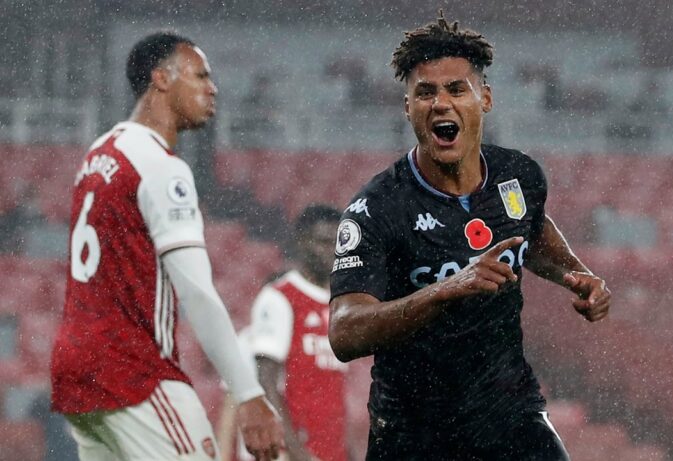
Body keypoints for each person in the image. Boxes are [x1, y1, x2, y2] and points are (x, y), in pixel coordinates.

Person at [328, 12, 611, 461]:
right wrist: (446, 289)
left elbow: (533, 231)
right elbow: (344, 333)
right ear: (408, 107)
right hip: (413, 433)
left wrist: (576, 275)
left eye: (457, 89)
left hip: (510, 416)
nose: (441, 103)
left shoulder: (518, 175)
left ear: (485, 99)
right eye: (426, 92)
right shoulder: (377, 209)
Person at [49, 32, 284, 461]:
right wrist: (249, 394)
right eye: (200, 76)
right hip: (131, 371)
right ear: (161, 79)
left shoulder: (98, 153)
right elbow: (197, 293)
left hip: (77, 369)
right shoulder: (160, 166)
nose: (212, 88)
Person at [218, 205, 348, 461]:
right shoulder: (280, 298)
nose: (331, 251)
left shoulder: (339, 303)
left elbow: (334, 390)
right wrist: (296, 452)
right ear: (301, 242)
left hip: (330, 450)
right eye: (323, 242)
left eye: (337, 243)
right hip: (292, 452)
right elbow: (266, 380)